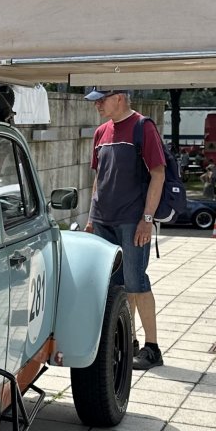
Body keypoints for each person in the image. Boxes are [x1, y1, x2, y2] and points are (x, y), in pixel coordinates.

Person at [83, 88, 166, 369]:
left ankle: (152, 348)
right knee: (116, 285)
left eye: (101, 100)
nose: (97, 106)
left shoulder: (143, 127)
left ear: (119, 97)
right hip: (103, 221)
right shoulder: (101, 132)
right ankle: (127, 341)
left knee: (136, 282)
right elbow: (99, 178)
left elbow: (158, 174)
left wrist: (147, 218)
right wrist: (92, 218)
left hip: (132, 220)